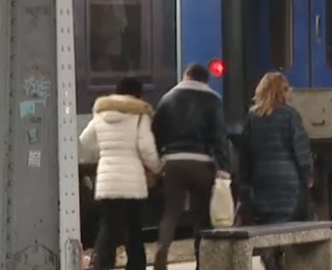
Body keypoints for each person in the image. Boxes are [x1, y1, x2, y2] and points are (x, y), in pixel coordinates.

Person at [152, 64, 231, 270]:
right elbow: (219, 136)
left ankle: (161, 260)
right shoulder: (213, 100)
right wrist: (223, 165)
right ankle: (201, 261)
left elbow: (156, 133)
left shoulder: (167, 99)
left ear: (186, 76)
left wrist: (160, 157)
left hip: (174, 162)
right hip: (201, 163)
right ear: (205, 80)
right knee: (202, 215)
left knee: (170, 213)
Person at [79, 77, 162, 270]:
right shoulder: (140, 115)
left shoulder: (101, 114)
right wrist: (158, 167)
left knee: (109, 225)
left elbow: (85, 140)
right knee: (134, 227)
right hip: (133, 182)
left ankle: (101, 263)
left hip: (108, 181)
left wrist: (105, 151)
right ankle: (135, 265)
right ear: (138, 94)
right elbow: (146, 149)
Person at [239, 72, 313, 270]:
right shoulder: (290, 116)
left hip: (261, 182)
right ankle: (280, 258)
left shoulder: (252, 118)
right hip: (288, 182)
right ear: (283, 91)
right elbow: (301, 149)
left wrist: (244, 183)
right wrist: (308, 176)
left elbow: (244, 154)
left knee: (267, 225)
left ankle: (270, 256)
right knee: (286, 224)